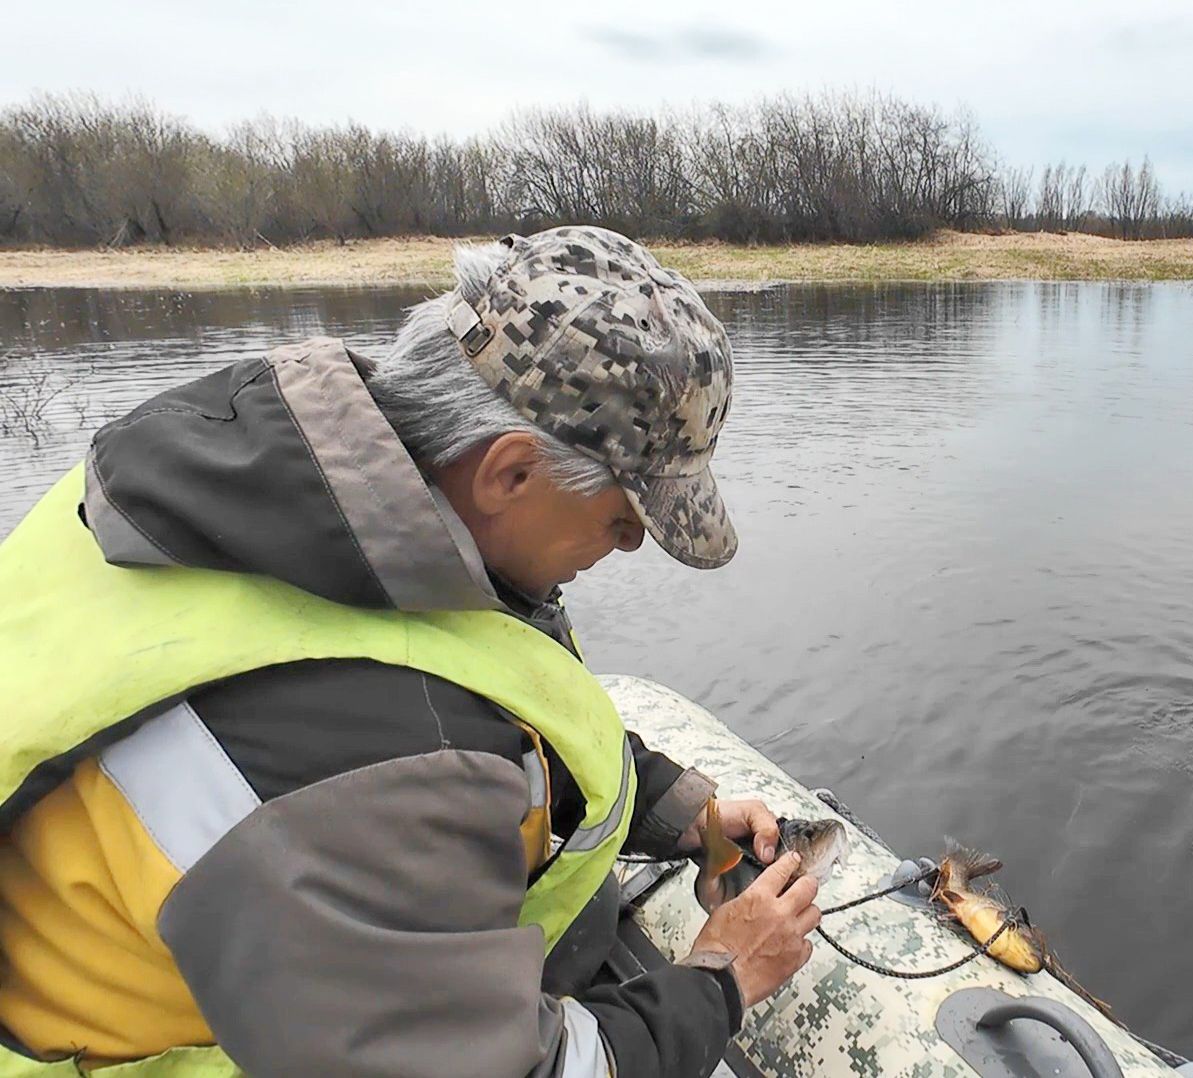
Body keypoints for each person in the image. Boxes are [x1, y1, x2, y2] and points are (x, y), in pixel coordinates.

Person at [0, 226, 821, 1077]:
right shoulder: (368, 753)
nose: (628, 546)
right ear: (509, 474)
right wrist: (723, 977)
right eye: (621, 519)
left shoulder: (273, 486)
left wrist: (672, 808)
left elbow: (491, 683)